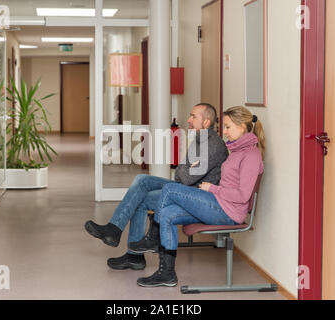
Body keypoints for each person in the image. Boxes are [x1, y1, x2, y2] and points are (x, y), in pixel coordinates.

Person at [132, 106, 266, 287]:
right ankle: (167, 273)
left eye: (228, 127)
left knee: (170, 189)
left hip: (228, 212)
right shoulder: (236, 150)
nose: (224, 132)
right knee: (167, 214)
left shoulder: (250, 155)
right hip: (218, 204)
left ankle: (153, 237)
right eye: (224, 127)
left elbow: (242, 196)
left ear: (242, 126)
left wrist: (212, 189)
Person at [84, 103, 228, 271]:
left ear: (206, 122)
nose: (188, 120)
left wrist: (185, 169)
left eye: (193, 117)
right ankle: (115, 229)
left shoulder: (213, 145)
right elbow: (179, 172)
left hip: (193, 196)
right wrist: (186, 168)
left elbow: (187, 177)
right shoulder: (199, 140)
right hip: (183, 187)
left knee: (141, 200)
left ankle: (131, 253)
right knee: (142, 180)